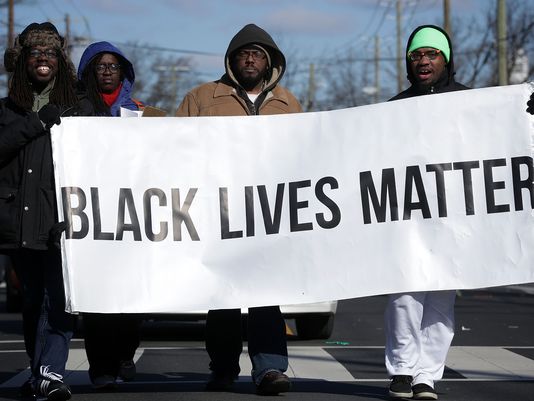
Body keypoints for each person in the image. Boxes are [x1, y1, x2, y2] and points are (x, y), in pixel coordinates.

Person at [176, 23, 302, 395]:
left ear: (270, 62)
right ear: (232, 61)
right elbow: (173, 146)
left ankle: (270, 369)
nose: (250, 60)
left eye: (257, 54)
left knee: (266, 294)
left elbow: (305, 155)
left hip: (268, 212)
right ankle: (223, 368)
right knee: (222, 296)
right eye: (244, 54)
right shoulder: (203, 98)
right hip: (218, 211)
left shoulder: (288, 103)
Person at [0, 22, 91, 401]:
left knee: (59, 299)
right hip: (18, 220)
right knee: (33, 300)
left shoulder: (78, 109)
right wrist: (35, 124)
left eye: (51, 53)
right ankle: (39, 372)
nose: (43, 58)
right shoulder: (7, 109)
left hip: (62, 221)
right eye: (35, 52)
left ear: (60, 61)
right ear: (22, 61)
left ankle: (50, 371)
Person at [385, 25, 469, 401]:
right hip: (408, 217)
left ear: (445, 60)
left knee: (440, 299)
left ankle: (427, 376)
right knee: (404, 295)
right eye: (416, 55)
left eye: (432, 54)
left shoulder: (471, 102)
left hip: (453, 217)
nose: (424, 61)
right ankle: (402, 370)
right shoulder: (393, 109)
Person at [76, 41, 142, 390]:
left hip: (133, 216)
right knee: (98, 296)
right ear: (88, 71)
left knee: (133, 294)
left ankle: (124, 353)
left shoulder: (139, 112)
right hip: (91, 215)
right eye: (99, 65)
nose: (106, 71)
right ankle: (101, 367)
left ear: (123, 72)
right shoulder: (72, 112)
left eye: (113, 66)